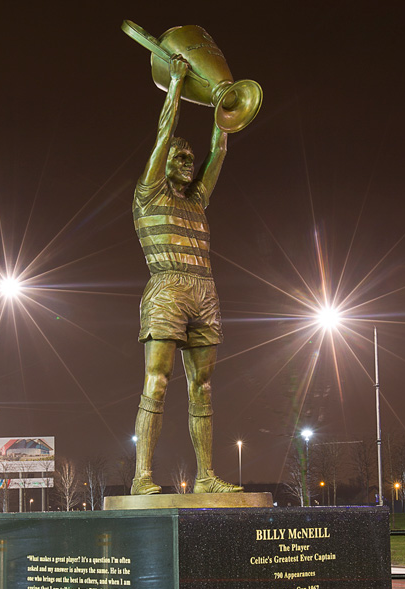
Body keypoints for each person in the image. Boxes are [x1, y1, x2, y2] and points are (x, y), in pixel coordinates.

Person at [131, 54, 242, 495]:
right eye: (180, 155)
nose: (186, 160)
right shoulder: (149, 192)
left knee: (204, 387)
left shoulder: (196, 201)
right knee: (156, 383)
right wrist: (176, 84)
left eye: (188, 157)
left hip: (204, 291)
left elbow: (220, 150)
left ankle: (206, 476)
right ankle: (142, 476)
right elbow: (163, 133)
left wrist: (224, 110)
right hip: (167, 288)